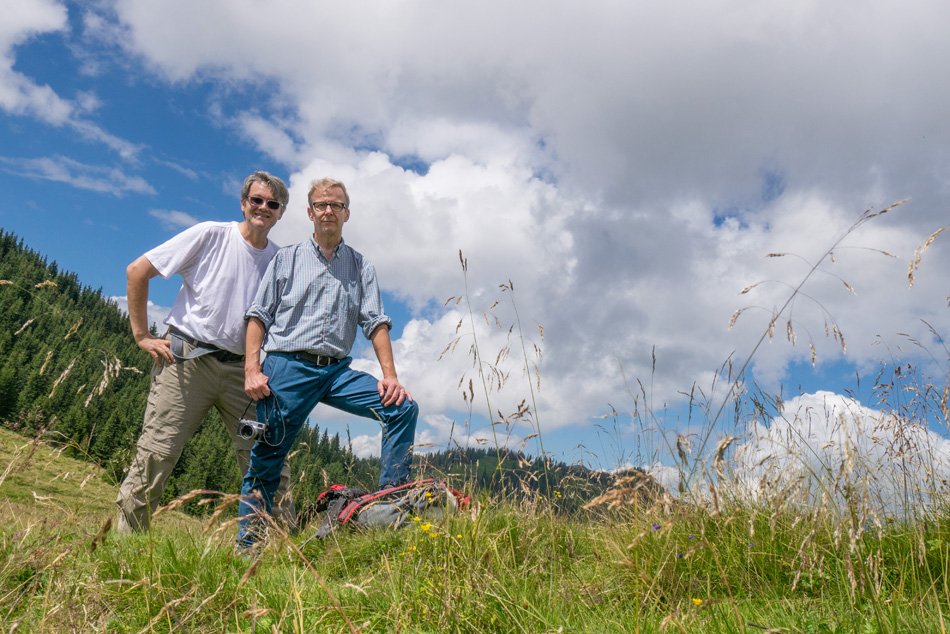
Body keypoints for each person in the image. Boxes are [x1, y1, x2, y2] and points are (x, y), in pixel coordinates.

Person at [236, 177, 418, 549]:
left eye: (336, 205)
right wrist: (252, 369)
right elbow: (258, 317)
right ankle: (248, 547)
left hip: (335, 371)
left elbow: (376, 322)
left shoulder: (361, 266)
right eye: (321, 205)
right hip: (287, 367)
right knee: (267, 458)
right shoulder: (286, 258)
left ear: (347, 214)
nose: (328, 211)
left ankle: (390, 502)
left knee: (402, 408)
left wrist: (390, 377)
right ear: (309, 213)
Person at [116, 171, 297, 533]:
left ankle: (284, 548)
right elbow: (137, 271)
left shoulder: (283, 262)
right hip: (187, 362)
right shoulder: (211, 234)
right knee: (158, 451)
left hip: (244, 374)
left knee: (267, 457)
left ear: (281, 213)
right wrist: (142, 336)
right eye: (257, 200)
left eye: (272, 204)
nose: (263, 208)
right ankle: (126, 544)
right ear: (243, 202)